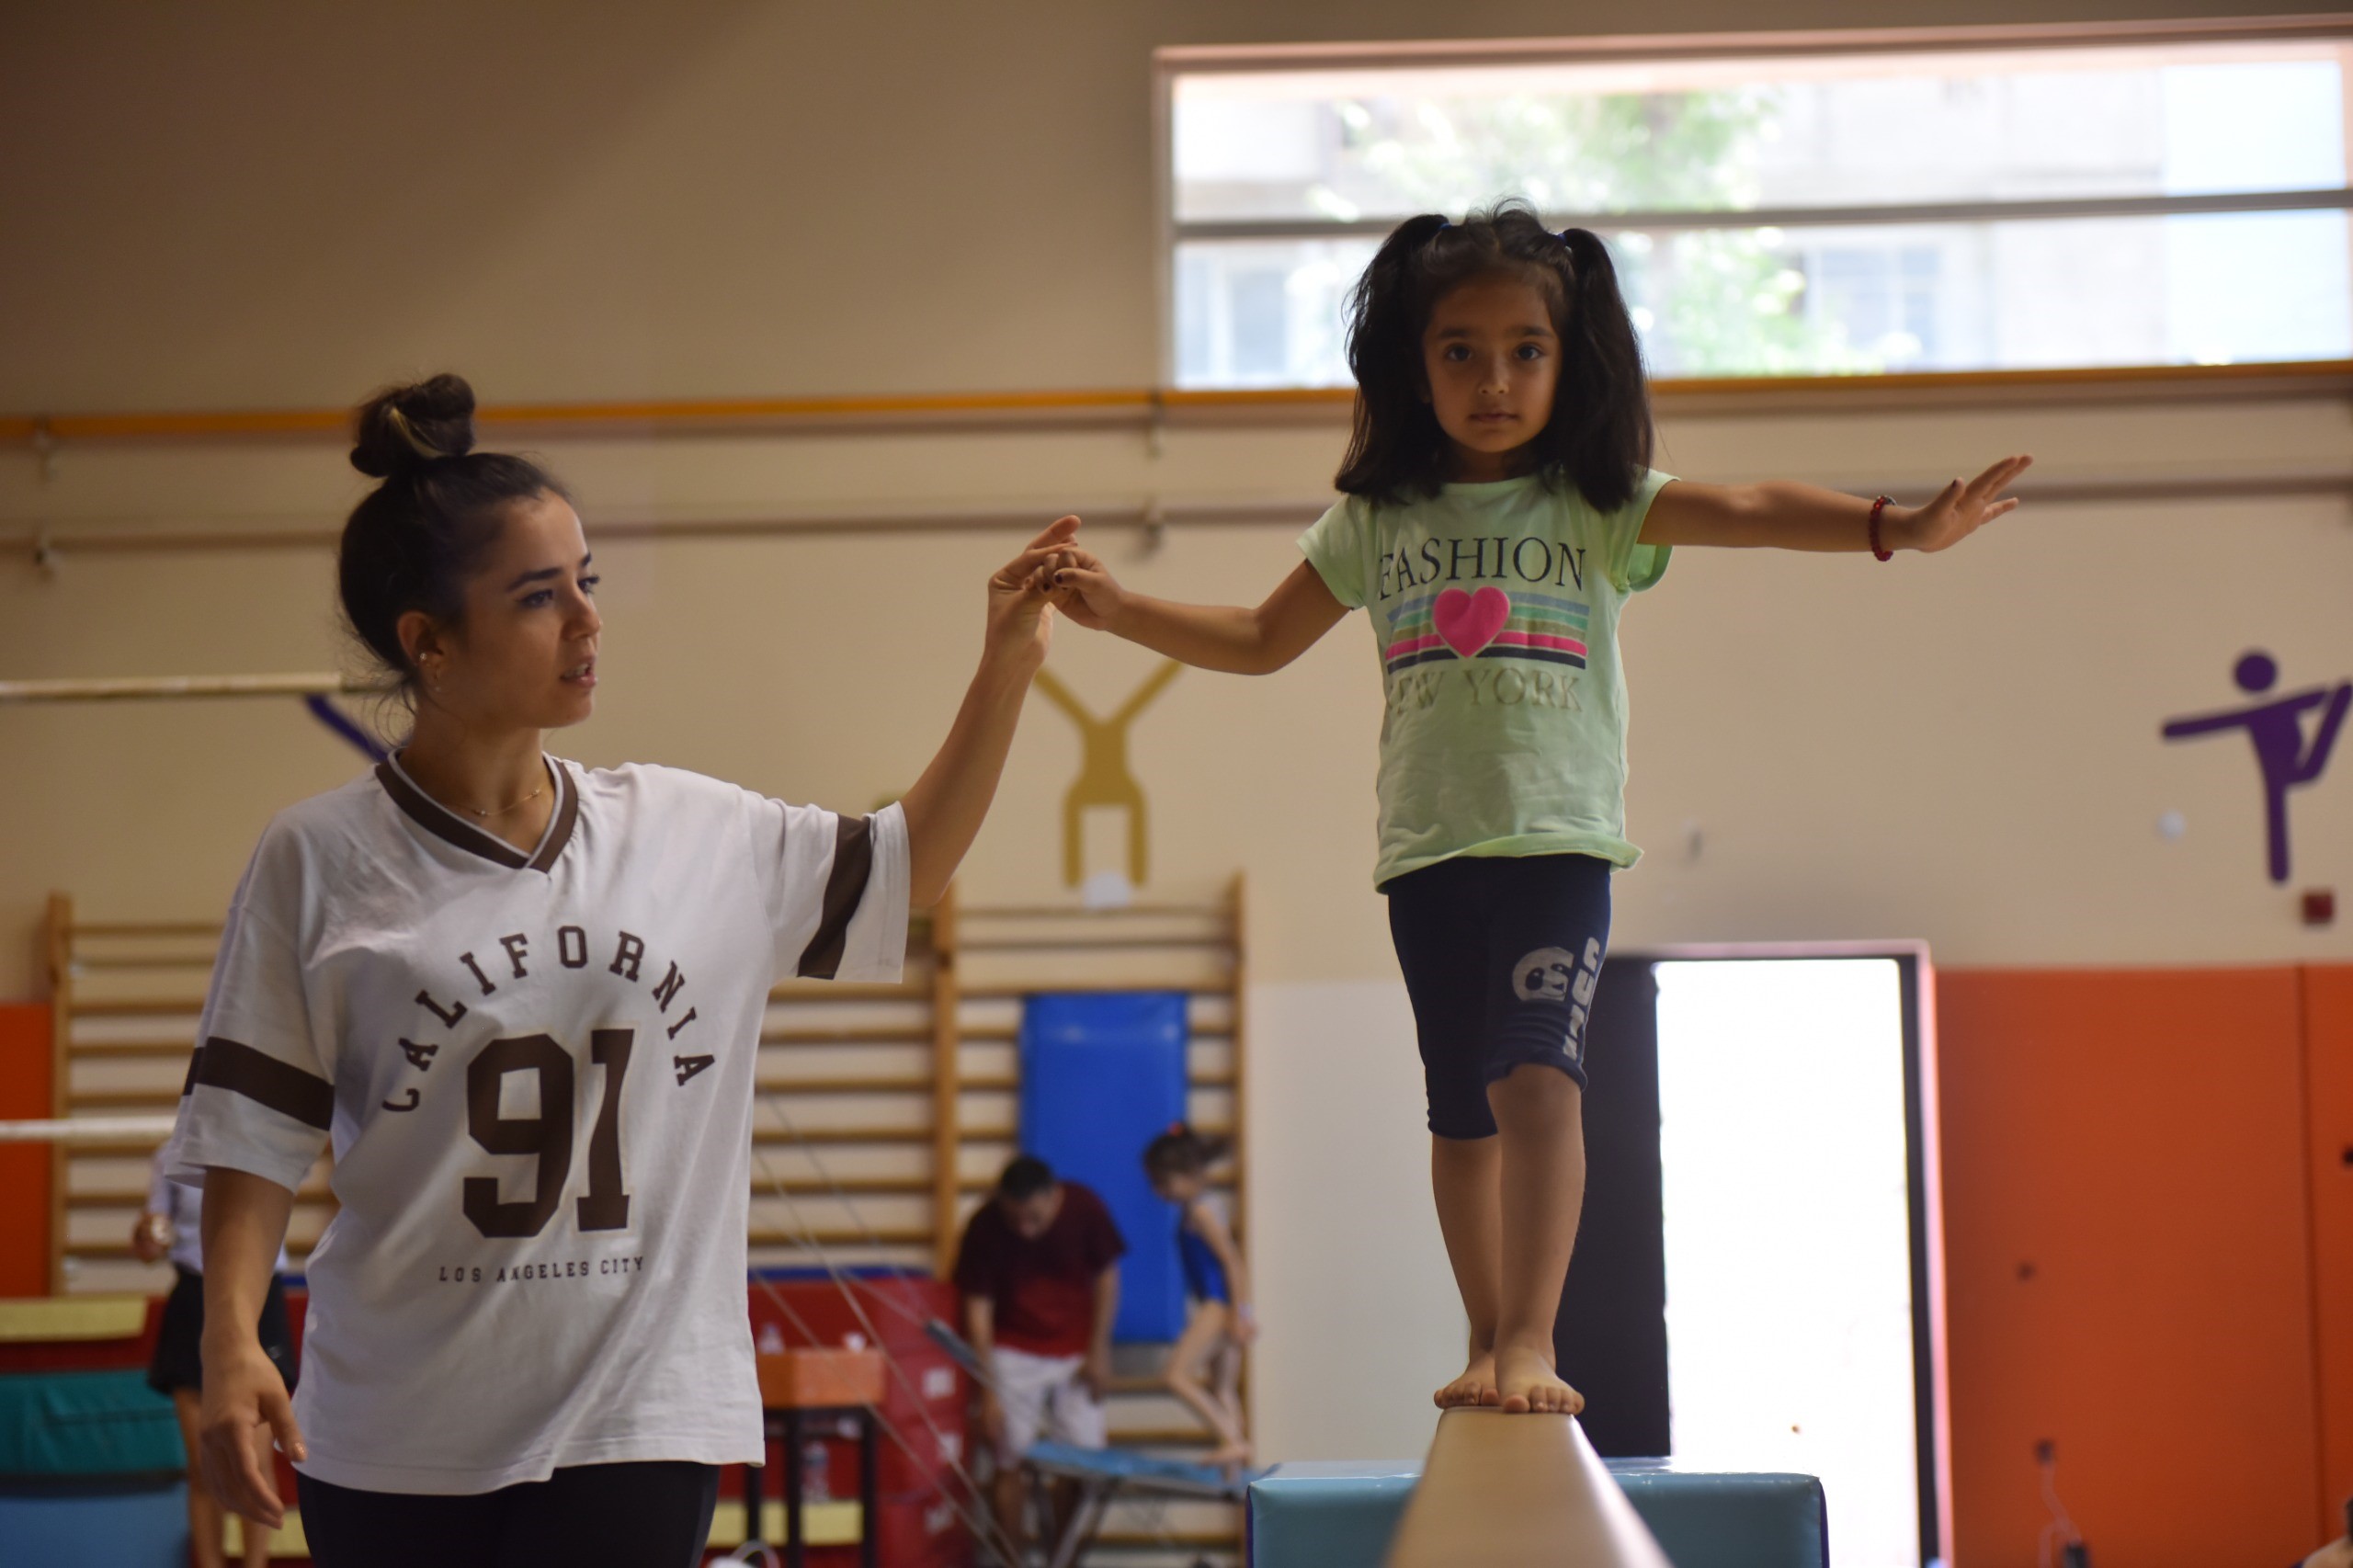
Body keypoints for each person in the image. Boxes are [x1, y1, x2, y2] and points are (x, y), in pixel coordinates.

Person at [1042, 203, 2029, 1416]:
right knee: (1460, 1113)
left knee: (1538, 1081)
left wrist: (1897, 528)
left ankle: (1530, 1337)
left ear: (1571, 362)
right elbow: (1257, 636)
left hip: (1556, 842)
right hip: (1426, 851)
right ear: (1415, 364)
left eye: (1525, 350)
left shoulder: (1592, 502)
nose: (1493, 381)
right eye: (1459, 351)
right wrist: (1122, 611)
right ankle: (1482, 1333)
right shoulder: (1379, 518)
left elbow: (1749, 508)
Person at [166, 373, 1070, 1568]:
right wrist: (232, 1338)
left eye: (586, 580)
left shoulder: (691, 830)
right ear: (428, 643)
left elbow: (907, 869)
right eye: (540, 597)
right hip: (391, 1430)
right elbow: (254, 1137)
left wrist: (1007, 662)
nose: (589, 621)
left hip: (636, 1419)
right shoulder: (318, 856)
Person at [952, 1154, 1124, 1551]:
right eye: (1014, 1219)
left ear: (1053, 1196)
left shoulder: (1084, 1208)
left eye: (1033, 1217)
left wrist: (1100, 1350)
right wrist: (988, 1392)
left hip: (1076, 1349)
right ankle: (1013, 1559)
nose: (1024, 1230)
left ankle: (1061, 1557)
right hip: (1013, 1347)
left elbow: (1108, 1278)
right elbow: (978, 1312)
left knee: (1083, 1464)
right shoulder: (984, 1226)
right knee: (1007, 1458)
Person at [133, 1149, 294, 1568]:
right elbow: (152, 1242)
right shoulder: (171, 1154)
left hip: (259, 1296)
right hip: (194, 1296)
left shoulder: (266, 1139)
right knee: (203, 1464)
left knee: (254, 1461)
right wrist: (149, 1235)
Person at [1141, 1124, 1254, 1469]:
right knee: (1223, 1389)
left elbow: (1231, 1261)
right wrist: (1243, 1312)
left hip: (1218, 1306)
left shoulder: (1201, 1212)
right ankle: (1236, 1473)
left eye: (1163, 1182)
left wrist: (1240, 1314)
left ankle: (1234, 1443)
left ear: (1188, 1173)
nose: (1159, 1192)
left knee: (1174, 1376)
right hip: (1223, 1306)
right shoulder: (1206, 1205)